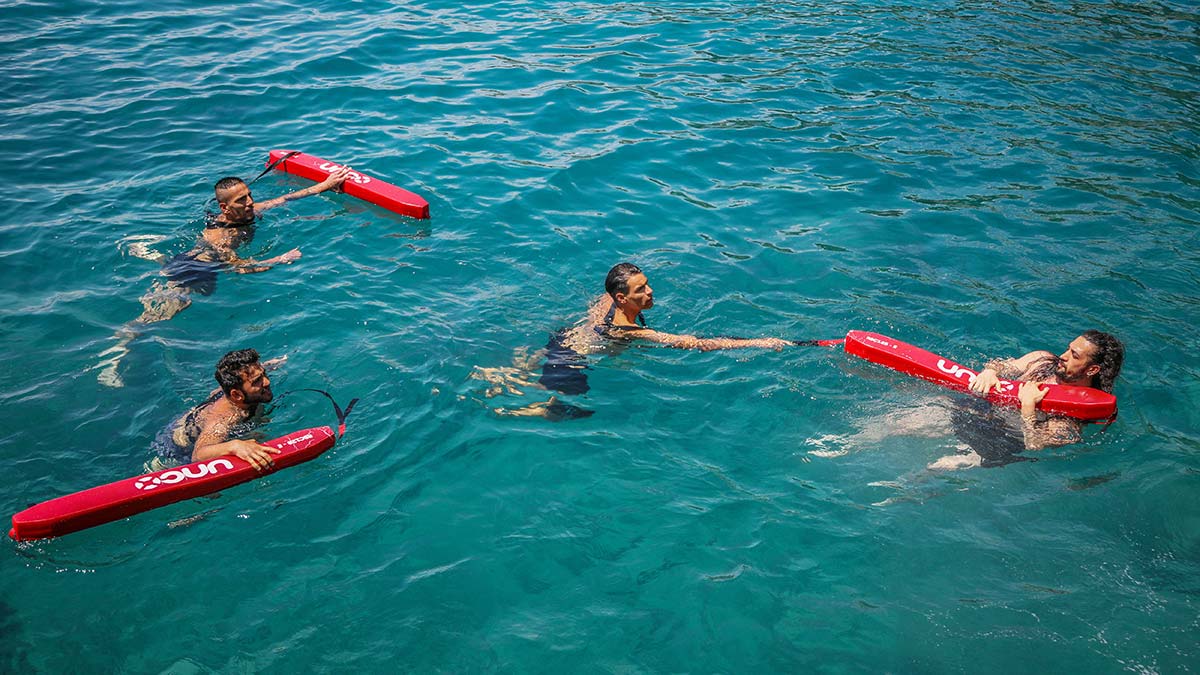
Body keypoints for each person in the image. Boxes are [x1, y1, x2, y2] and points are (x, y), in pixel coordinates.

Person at [96, 167, 351, 387]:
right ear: (224, 208)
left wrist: (326, 185)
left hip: (195, 260)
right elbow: (241, 268)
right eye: (242, 200)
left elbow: (286, 198)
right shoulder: (220, 238)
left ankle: (153, 255)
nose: (250, 202)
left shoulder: (247, 212)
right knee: (161, 313)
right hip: (193, 272)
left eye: (249, 195)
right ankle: (117, 349)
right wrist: (280, 259)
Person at [477, 262, 793, 418]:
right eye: (640, 290)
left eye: (647, 284)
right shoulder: (632, 332)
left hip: (562, 340)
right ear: (621, 297)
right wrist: (760, 342)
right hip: (570, 361)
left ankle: (506, 375)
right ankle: (516, 410)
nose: (650, 291)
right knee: (561, 413)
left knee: (546, 383)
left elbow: (588, 316)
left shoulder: (607, 303)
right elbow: (697, 343)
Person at [929, 330, 1125, 468]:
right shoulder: (1042, 360)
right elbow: (1004, 365)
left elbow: (1035, 444)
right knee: (901, 423)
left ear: (1092, 369)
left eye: (1074, 355)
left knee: (931, 472)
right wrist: (990, 371)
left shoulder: (1074, 414)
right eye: (1068, 348)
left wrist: (1029, 407)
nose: (1063, 356)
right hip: (977, 409)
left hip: (995, 442)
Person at [149, 349, 285, 471]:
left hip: (193, 421)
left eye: (263, 374)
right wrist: (235, 446)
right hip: (179, 448)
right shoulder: (225, 419)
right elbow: (198, 455)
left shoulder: (233, 389)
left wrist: (272, 364)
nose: (267, 382)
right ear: (236, 395)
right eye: (257, 381)